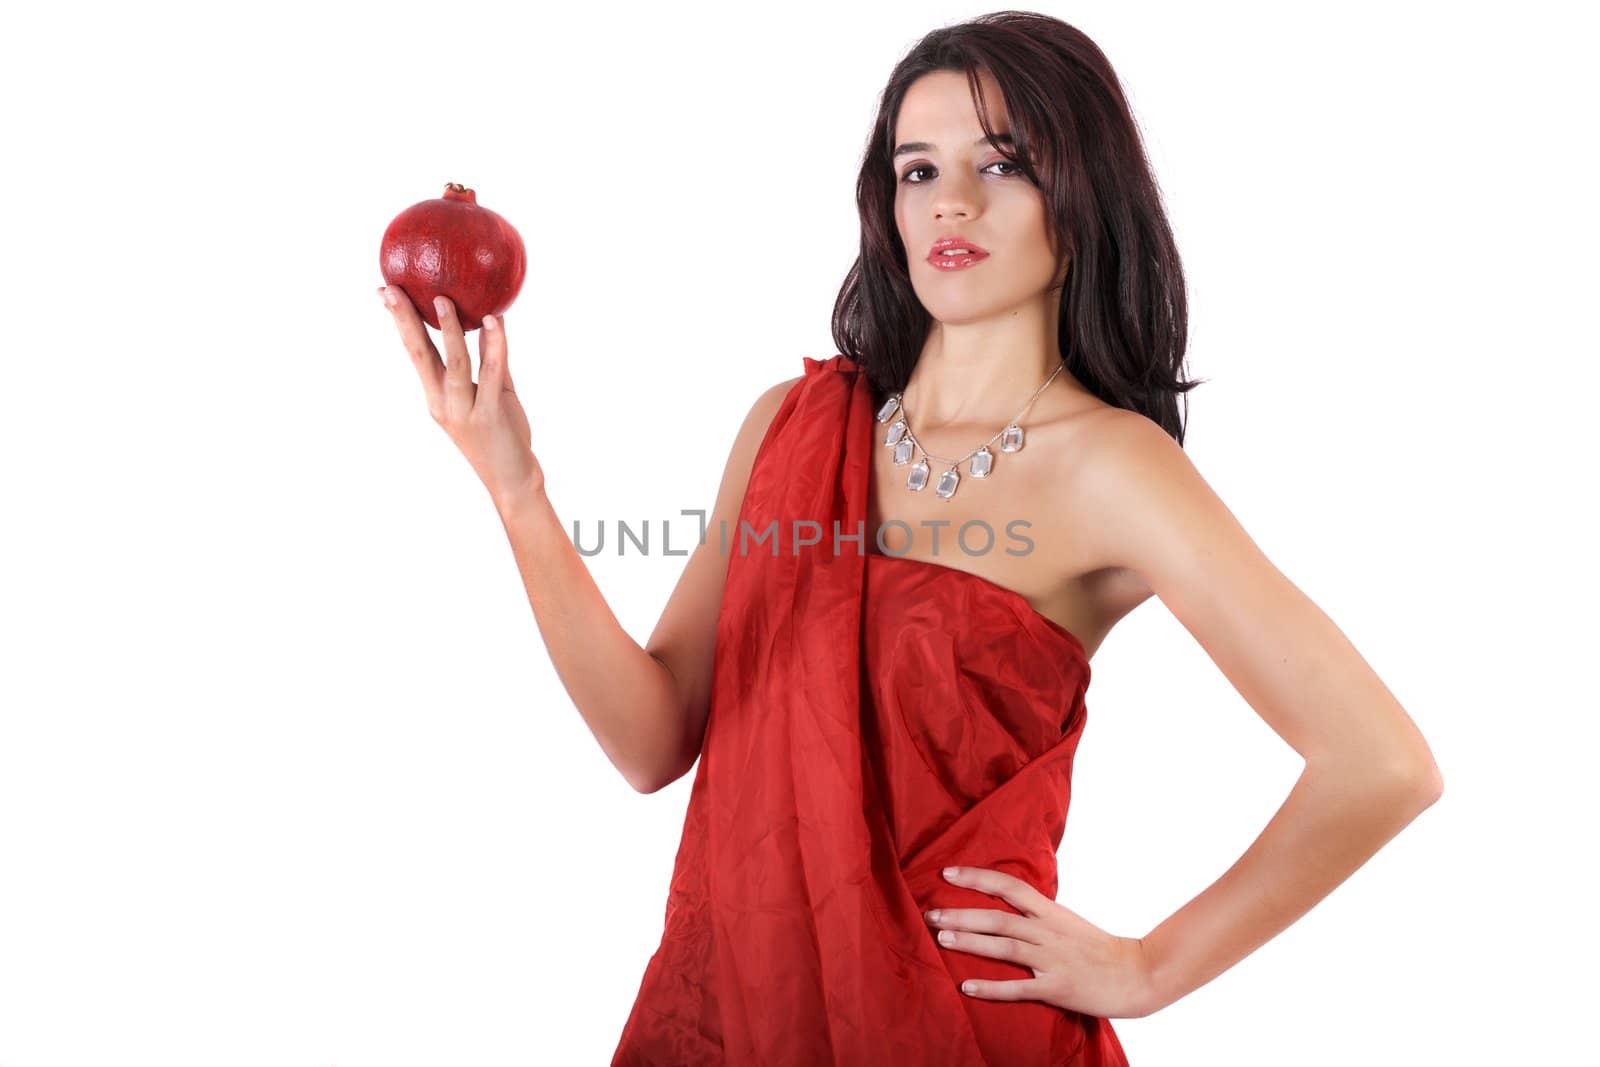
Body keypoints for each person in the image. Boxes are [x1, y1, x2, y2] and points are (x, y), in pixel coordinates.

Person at [377, 11, 1443, 1065]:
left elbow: (1380, 761)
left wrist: (1148, 966)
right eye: (918, 169)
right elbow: (652, 741)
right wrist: (514, 485)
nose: (955, 201)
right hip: (733, 1010)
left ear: (1081, 194)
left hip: (958, 1025)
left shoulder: (1112, 470)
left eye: (1004, 163)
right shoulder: (791, 427)